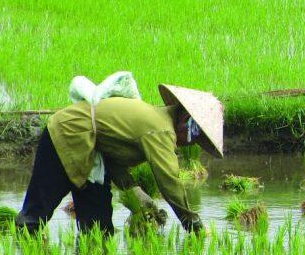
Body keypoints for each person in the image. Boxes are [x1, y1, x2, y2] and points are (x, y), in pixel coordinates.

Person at [15, 84, 224, 234]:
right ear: (186, 121)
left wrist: (136, 193)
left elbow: (113, 160)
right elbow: (169, 181)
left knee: (98, 230)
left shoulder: (155, 123)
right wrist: (193, 224)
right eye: (194, 136)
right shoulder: (161, 131)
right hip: (67, 134)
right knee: (34, 216)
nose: (189, 143)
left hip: (92, 155)